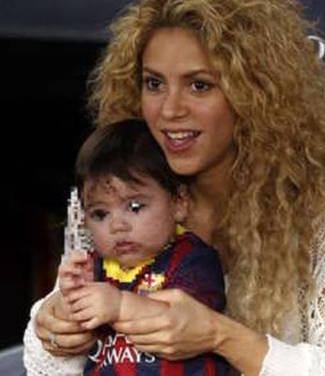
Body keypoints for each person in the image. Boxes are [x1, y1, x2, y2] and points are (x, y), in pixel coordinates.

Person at [24, 0, 325, 376]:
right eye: (154, 83)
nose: (170, 110)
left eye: (199, 85)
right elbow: (46, 357)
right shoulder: (125, 182)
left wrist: (219, 335)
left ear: (254, 93)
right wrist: (56, 333)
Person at [56, 119, 229, 374]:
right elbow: (69, 336)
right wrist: (70, 299)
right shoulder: (97, 266)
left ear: (179, 203)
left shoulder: (192, 259)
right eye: (100, 214)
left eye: (135, 207)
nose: (117, 225)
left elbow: (184, 321)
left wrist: (119, 306)